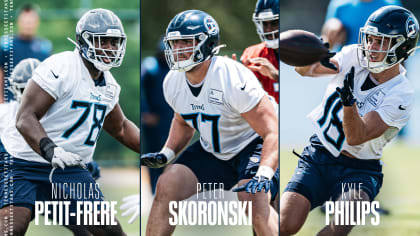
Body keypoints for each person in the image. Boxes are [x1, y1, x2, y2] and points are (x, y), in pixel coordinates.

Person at [0, 8, 140, 235]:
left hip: (70, 169)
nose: (110, 48)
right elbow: (25, 118)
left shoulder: (110, 85)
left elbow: (121, 128)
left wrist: (156, 150)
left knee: (111, 232)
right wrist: (51, 150)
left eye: (114, 42)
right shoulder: (62, 67)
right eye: (103, 41)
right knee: (12, 227)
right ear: (83, 41)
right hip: (24, 163)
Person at [280, 6, 418, 235]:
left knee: (338, 228)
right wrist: (315, 52)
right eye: (370, 39)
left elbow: (356, 137)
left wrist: (348, 103)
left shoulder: (401, 94)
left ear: (402, 47)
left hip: (359, 169)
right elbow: (306, 70)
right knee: (284, 225)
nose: (371, 47)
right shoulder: (354, 55)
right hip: (319, 155)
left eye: (381, 42)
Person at [141, 10, 279, 236]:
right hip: (215, 150)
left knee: (252, 197)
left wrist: (263, 173)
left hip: (253, 143)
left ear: (207, 43)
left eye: (185, 42)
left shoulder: (231, 77)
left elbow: (271, 131)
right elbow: (183, 122)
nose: (177, 50)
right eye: (174, 43)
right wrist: (167, 153)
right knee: (167, 185)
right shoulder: (172, 81)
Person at [0, 3, 52, 103]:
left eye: (31, 22)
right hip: (10, 101)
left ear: (37, 22)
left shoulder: (45, 47)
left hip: (35, 104)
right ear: (18, 22)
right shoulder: (6, 44)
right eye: (25, 22)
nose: (28, 25)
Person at [322, 0, 401, 50]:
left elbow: (399, 44)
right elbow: (327, 42)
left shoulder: (391, 6)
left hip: (379, 68)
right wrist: (332, 34)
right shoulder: (339, 5)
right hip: (346, 67)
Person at [240, 0, 279, 103]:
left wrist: (276, 75)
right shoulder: (254, 54)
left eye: (274, 23)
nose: (268, 29)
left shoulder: (298, 49)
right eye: (264, 24)